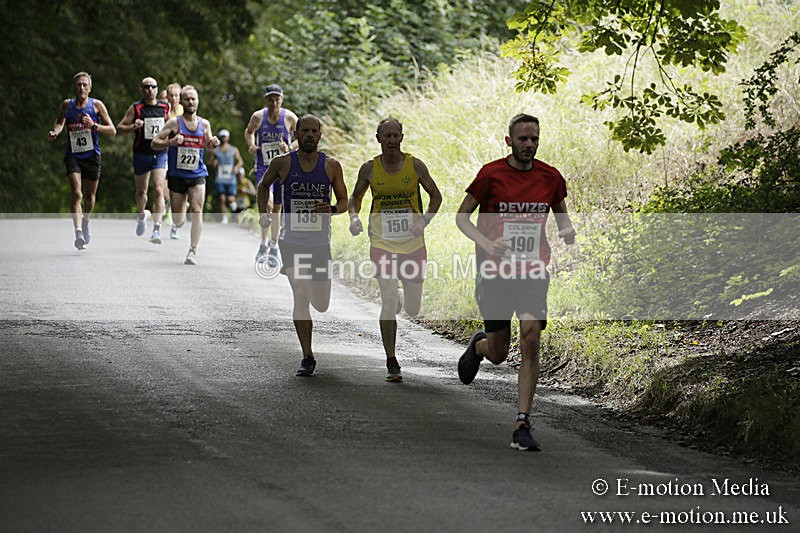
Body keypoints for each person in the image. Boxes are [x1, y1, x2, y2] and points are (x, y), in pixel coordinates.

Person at [455, 113, 576, 452]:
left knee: (531, 336)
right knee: (498, 353)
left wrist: (567, 230)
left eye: (534, 139)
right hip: (495, 272)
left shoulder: (550, 177)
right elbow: (461, 217)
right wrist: (486, 242)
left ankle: (522, 422)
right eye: (523, 139)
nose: (529, 145)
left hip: (532, 271)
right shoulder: (491, 174)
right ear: (509, 141)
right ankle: (479, 346)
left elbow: (561, 214)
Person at [348, 117, 442, 382]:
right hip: (382, 243)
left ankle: (402, 298)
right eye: (386, 136)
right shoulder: (369, 169)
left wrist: (424, 221)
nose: (391, 140)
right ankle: (391, 360)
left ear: (402, 137)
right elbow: (355, 198)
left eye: (395, 135)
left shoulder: (415, 166)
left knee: (412, 309)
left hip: (412, 245)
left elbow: (436, 196)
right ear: (378, 138)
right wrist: (353, 218)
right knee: (387, 300)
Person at [257, 114, 347, 376]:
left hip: (319, 243)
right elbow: (263, 186)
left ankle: (308, 352)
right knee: (301, 292)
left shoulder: (331, 166)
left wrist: (331, 209)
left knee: (321, 304)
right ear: (295, 134)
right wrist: (264, 212)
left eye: (313, 131)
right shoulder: (283, 163)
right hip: (291, 242)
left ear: (320, 135)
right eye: (304, 131)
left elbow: (344, 202)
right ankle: (307, 356)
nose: (309, 135)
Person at [151, 85, 220, 265]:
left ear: (198, 101)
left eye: (193, 99)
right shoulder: (174, 123)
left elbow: (207, 144)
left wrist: (212, 143)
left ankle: (192, 251)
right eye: (187, 99)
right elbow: (154, 142)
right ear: (181, 102)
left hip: (197, 174)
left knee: (197, 211)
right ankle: (184, 205)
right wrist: (171, 141)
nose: (190, 102)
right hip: (177, 175)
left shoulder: (204, 124)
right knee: (178, 220)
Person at [47, 71, 116, 250]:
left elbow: (112, 130)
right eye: (79, 85)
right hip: (73, 156)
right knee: (77, 194)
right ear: (74, 87)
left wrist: (94, 125)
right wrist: (55, 132)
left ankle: (85, 221)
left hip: (92, 156)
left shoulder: (96, 106)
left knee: (89, 197)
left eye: (85, 85)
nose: (82, 88)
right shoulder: (67, 105)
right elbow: (60, 122)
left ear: (90, 88)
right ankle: (78, 232)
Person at [245, 84, 298, 264]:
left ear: (282, 99)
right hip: (264, 168)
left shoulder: (289, 117)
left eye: (277, 99)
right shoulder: (258, 117)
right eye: (271, 99)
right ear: (266, 100)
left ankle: (272, 246)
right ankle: (263, 242)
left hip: (283, 168)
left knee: (276, 209)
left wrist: (289, 147)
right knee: (267, 204)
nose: (274, 103)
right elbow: (249, 132)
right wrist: (251, 145)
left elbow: (302, 138)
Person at [116, 76, 170, 243]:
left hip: (159, 153)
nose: (150, 90)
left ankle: (157, 229)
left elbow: (172, 126)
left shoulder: (164, 107)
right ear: (142, 90)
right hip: (141, 153)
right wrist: (133, 126)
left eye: (153, 87)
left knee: (159, 190)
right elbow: (119, 128)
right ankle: (141, 216)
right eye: (146, 87)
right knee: (141, 193)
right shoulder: (136, 108)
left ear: (157, 89)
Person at [207, 129, 244, 224]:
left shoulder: (234, 150)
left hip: (231, 177)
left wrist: (236, 167)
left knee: (231, 199)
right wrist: (213, 163)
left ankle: (236, 214)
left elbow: (240, 161)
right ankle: (224, 217)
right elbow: (209, 162)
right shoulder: (215, 150)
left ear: (228, 137)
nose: (224, 138)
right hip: (220, 177)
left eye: (225, 136)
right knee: (222, 198)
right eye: (222, 136)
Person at [164, 82, 183, 238]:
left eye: (177, 95)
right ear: (167, 97)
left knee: (181, 191)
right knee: (165, 189)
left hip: (181, 153)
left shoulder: (184, 111)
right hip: (165, 151)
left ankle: (175, 223)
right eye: (172, 95)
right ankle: (167, 207)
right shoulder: (163, 111)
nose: (174, 98)